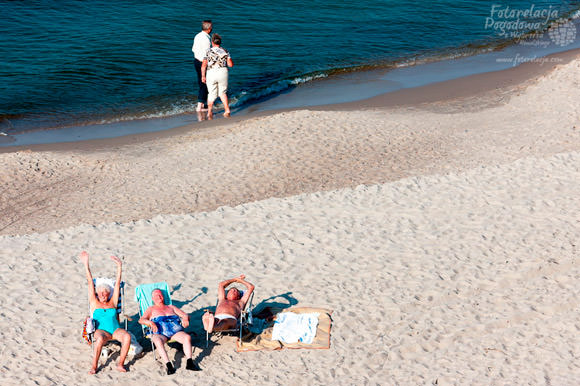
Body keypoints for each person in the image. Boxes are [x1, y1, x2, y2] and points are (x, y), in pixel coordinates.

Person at [80, 251, 131, 374]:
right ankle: (94, 366)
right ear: (97, 293)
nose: (103, 294)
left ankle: (120, 364)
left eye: (105, 292)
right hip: (102, 331)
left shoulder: (112, 302)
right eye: (101, 292)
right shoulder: (94, 302)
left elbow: (117, 284)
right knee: (99, 340)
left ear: (109, 294)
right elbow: (89, 282)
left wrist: (119, 266)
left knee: (127, 336)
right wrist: (86, 264)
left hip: (115, 330)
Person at [138, 289, 200, 374]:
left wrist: (185, 318)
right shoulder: (151, 309)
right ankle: (169, 366)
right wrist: (150, 323)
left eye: (160, 294)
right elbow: (141, 320)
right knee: (157, 341)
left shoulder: (171, 307)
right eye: (156, 295)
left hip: (175, 332)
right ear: (152, 299)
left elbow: (185, 314)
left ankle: (189, 363)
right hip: (160, 333)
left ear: (163, 296)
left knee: (187, 337)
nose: (159, 296)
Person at [201, 34, 234, 119]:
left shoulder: (208, 51)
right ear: (220, 42)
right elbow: (230, 65)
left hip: (211, 73)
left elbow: (204, 65)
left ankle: (209, 112)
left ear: (212, 42)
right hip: (223, 72)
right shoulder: (225, 51)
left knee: (211, 93)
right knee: (222, 93)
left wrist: (203, 76)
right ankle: (227, 110)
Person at [192, 20, 212, 112]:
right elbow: (207, 54)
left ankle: (203, 103)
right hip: (203, 62)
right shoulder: (206, 39)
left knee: (201, 82)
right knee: (205, 83)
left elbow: (193, 49)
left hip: (196, 60)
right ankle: (200, 106)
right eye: (211, 27)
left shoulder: (197, 36)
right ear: (208, 28)